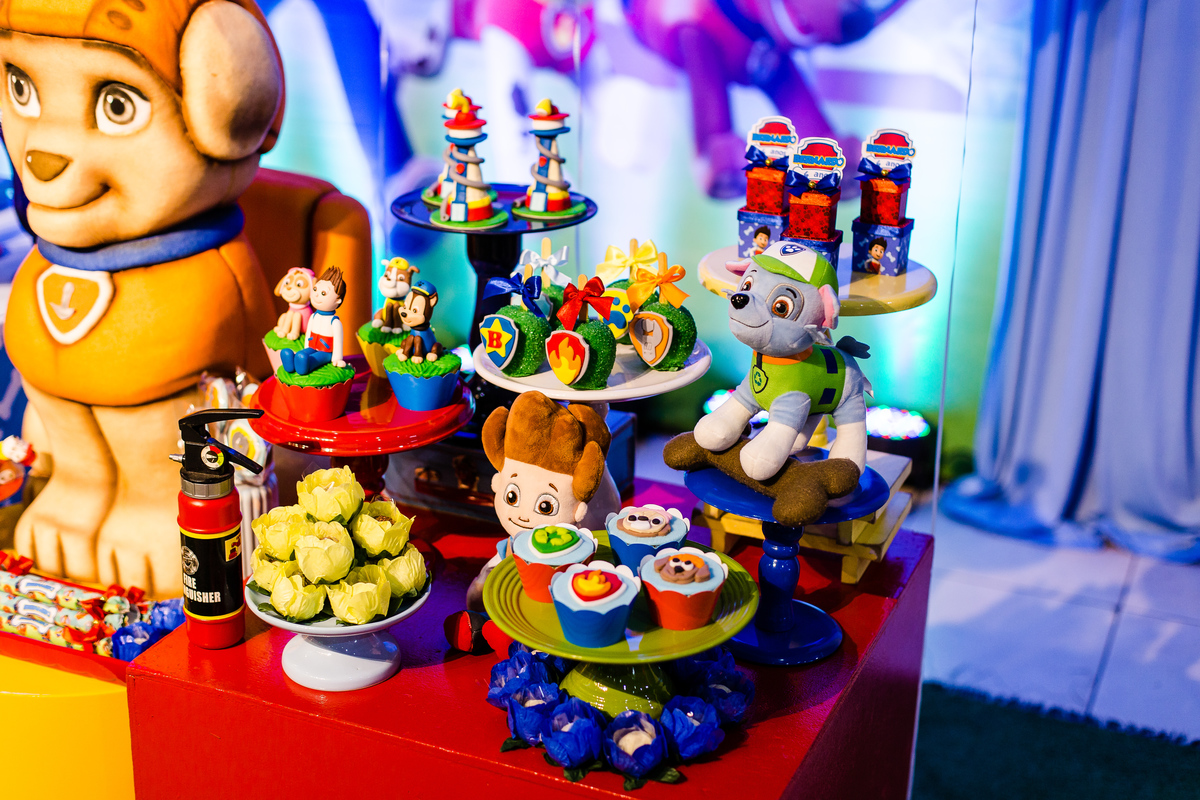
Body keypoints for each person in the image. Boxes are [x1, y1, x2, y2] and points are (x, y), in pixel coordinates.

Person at [280, 267, 347, 375]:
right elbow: (308, 333)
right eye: (315, 289)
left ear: (338, 300)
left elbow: (338, 342)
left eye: (323, 293)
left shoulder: (335, 322)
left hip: (325, 352)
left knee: (313, 359)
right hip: (311, 346)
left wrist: (337, 358)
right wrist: (306, 348)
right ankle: (291, 361)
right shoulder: (313, 316)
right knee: (302, 354)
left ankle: (306, 365)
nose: (316, 294)